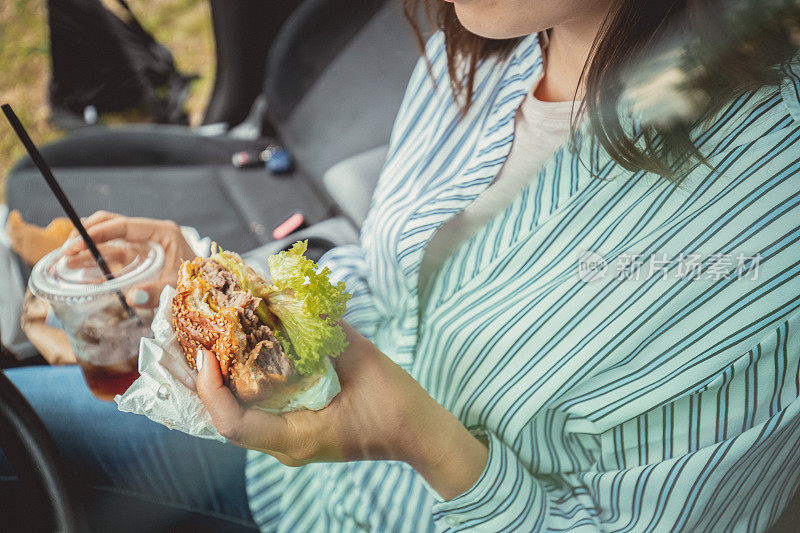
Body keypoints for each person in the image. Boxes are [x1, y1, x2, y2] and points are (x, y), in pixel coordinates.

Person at [4, 0, 800, 530]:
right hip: (297, 482)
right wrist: (229, 280)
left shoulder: (767, 238)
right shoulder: (495, 49)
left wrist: (426, 442)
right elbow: (395, 282)